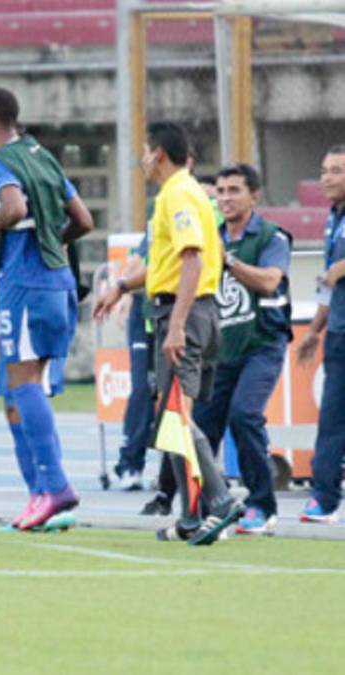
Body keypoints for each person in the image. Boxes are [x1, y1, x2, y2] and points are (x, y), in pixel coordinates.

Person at [94, 121, 244, 545]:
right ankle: (190, 517)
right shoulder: (188, 192)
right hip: (193, 311)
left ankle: (219, 499)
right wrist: (121, 286)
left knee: (175, 415)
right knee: (172, 418)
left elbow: (192, 260)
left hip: (184, 313)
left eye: (144, 150)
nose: (141, 159)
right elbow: (167, 262)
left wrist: (176, 326)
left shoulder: (178, 194)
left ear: (158, 153)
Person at [0, 87, 94, 530]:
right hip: (57, 284)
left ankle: (54, 487)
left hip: (28, 286)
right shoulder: (43, 155)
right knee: (19, 394)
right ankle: (41, 499)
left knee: (22, 388)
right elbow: (84, 221)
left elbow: (13, 207)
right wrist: (47, 245)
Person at [191, 163, 291, 535]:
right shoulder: (211, 236)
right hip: (220, 350)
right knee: (201, 427)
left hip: (262, 344)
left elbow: (269, 281)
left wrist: (227, 260)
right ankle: (207, 509)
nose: (226, 198)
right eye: (220, 191)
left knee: (245, 416)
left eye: (234, 190)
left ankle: (262, 505)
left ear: (255, 196)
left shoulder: (270, 237)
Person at [296, 144, 345, 524]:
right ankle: (324, 498)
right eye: (324, 170)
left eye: (336, 170)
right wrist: (314, 330)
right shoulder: (333, 220)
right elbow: (328, 284)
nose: (327, 177)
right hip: (340, 335)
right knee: (332, 418)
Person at [113, 234, 153, 492]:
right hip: (144, 313)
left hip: (176, 313)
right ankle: (130, 463)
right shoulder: (161, 213)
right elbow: (136, 263)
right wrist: (127, 290)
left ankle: (176, 468)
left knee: (174, 393)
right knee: (142, 388)